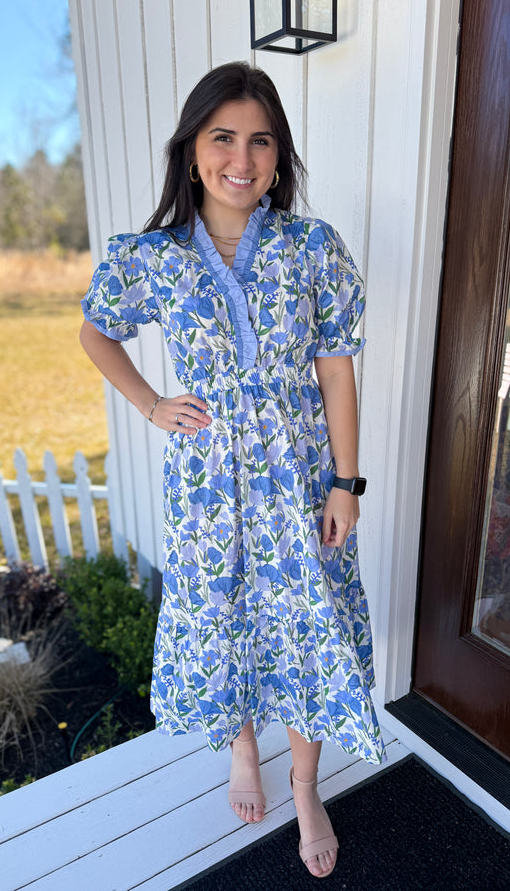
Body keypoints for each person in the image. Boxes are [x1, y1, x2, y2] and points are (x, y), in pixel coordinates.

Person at [80, 61, 385, 880]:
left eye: (261, 141)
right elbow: (96, 330)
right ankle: (242, 751)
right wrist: (151, 403)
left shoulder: (311, 249)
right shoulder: (153, 258)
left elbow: (335, 372)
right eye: (222, 137)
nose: (241, 158)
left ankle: (306, 784)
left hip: (300, 484)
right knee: (226, 620)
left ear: (278, 159)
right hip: (208, 492)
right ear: (191, 151)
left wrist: (346, 483)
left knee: (308, 625)